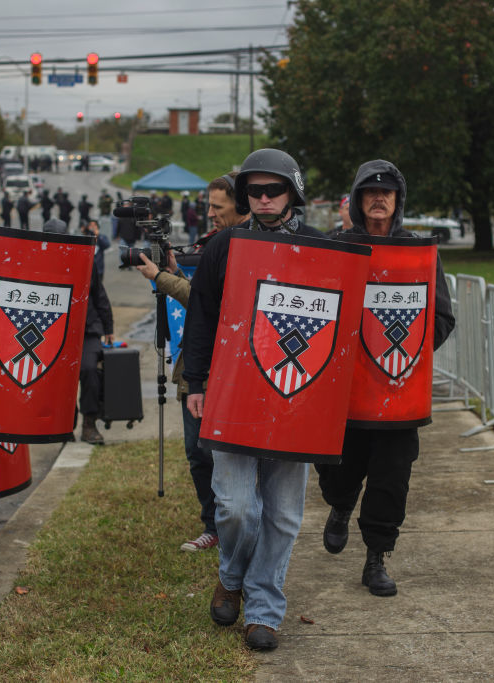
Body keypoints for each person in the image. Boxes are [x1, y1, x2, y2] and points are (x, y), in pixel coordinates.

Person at [183, 148, 324, 651]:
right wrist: (195, 382)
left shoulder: (320, 248)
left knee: (284, 514)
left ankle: (264, 607)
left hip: (295, 394)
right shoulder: (224, 246)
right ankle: (232, 575)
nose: (264, 200)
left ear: (292, 192)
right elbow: (200, 316)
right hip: (232, 391)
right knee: (238, 506)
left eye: (274, 190)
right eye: (255, 192)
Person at [317, 160, 454, 597]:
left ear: (398, 201)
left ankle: (376, 556)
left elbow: (442, 317)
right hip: (344, 395)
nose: (379, 199)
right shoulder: (338, 247)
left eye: (387, 193)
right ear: (357, 200)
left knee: (391, 477)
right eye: (370, 192)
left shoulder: (420, 253)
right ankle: (339, 507)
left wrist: (407, 358)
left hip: (398, 392)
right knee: (339, 472)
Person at [135, 173, 248, 554]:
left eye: (218, 206)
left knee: (227, 456)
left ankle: (236, 527)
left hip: (232, 368)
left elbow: (215, 305)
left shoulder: (250, 246)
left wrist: (162, 279)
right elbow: (201, 296)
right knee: (196, 452)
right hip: (194, 366)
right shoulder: (214, 243)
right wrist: (174, 270)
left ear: (242, 205)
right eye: (209, 205)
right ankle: (212, 525)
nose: (210, 213)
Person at [78, 262, 115, 444]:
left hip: (87, 328)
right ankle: (63, 426)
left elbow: (99, 295)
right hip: (53, 328)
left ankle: (89, 424)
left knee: (90, 369)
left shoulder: (85, 260)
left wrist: (108, 327)